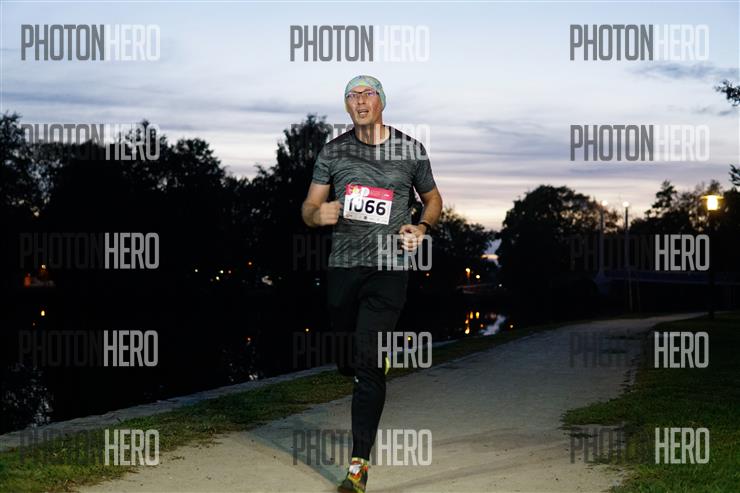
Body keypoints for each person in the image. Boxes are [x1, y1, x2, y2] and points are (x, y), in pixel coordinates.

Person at [301, 75, 443, 493]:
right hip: (344, 267)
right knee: (347, 356)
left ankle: (358, 467)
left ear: (382, 101)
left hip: (390, 269)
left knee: (367, 362)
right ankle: (359, 361)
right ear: (347, 106)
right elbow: (309, 205)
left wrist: (422, 227)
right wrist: (317, 215)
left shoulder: (410, 150)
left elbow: (433, 198)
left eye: (368, 94)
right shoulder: (333, 152)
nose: (360, 101)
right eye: (353, 95)